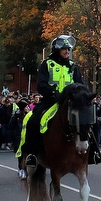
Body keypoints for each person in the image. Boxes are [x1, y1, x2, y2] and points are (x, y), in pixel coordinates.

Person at [21, 35, 85, 168]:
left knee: (86, 120)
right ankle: (32, 154)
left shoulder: (73, 66)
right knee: (33, 121)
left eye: (68, 49)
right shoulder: (47, 64)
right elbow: (41, 85)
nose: (67, 52)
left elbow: (80, 84)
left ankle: (92, 152)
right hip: (50, 101)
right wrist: (54, 93)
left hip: (70, 103)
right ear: (57, 50)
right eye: (64, 49)